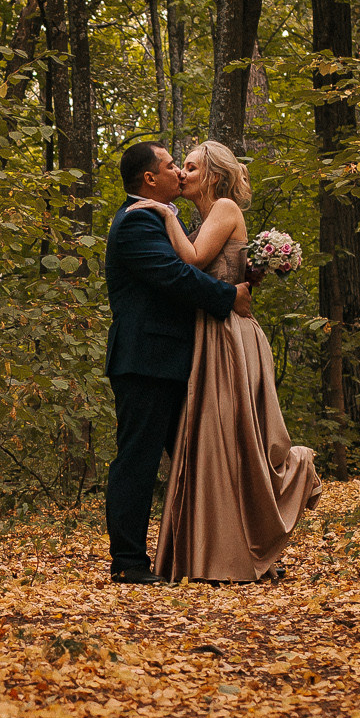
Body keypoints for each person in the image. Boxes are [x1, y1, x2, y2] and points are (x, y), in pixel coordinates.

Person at [129, 139, 320, 582]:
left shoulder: (225, 209)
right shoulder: (204, 217)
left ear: (213, 175)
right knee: (217, 445)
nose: (182, 174)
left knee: (237, 442)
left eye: (191, 167)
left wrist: (161, 213)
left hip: (230, 339)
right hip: (208, 337)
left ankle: (293, 481)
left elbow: (193, 260)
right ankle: (220, 550)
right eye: (180, 166)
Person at [104, 142, 250, 585]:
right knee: (138, 460)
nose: (179, 173)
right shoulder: (137, 221)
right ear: (150, 179)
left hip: (173, 359)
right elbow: (175, 275)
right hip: (145, 360)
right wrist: (230, 296)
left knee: (200, 459)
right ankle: (128, 563)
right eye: (172, 166)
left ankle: (216, 553)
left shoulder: (162, 218)